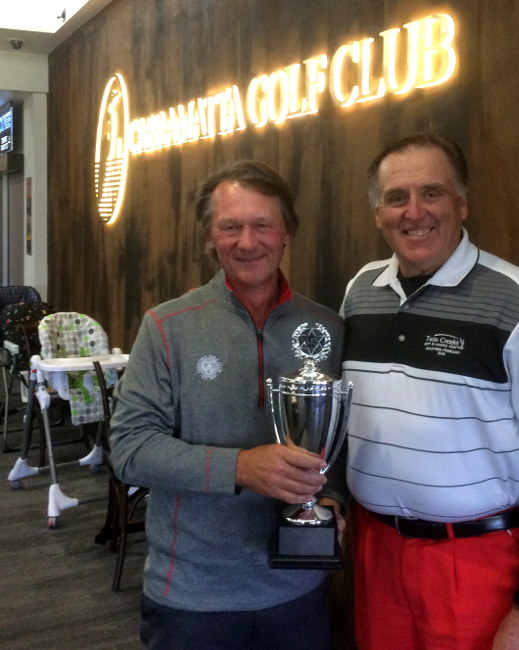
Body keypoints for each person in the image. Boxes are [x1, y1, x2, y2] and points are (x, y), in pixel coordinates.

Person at [341, 132, 519, 650]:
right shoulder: (359, 292)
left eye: (432, 193)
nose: (414, 212)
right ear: (377, 214)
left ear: (461, 203)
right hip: (377, 557)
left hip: (479, 563)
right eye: (396, 197)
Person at [110, 160, 346, 650]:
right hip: (193, 600)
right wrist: (239, 467)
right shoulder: (167, 326)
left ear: (286, 234)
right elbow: (130, 449)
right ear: (208, 237)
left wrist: (331, 502)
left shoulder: (328, 328)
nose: (247, 242)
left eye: (262, 225)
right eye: (230, 227)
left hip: (299, 591)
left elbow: (343, 447)